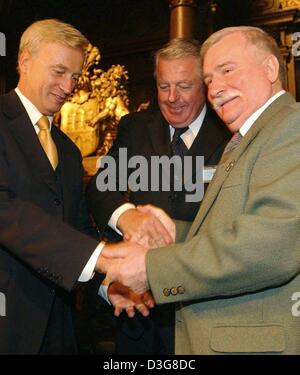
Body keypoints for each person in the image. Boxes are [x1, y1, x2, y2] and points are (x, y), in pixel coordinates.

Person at [101, 26, 300, 354]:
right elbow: (232, 233)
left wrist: (152, 267)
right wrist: (175, 233)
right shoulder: (245, 139)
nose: (217, 88)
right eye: (209, 80)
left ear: (270, 68)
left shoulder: (290, 128)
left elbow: (272, 244)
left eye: (227, 70)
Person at [86, 38, 230, 354]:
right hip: (140, 314)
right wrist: (126, 214)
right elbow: (100, 187)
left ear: (205, 85)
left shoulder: (232, 132)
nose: (172, 98)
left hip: (205, 309)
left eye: (183, 86)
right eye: (163, 86)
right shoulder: (135, 128)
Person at [0, 19, 117, 354]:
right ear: (24, 60)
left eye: (76, 76)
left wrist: (108, 286)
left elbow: (76, 225)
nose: (69, 87)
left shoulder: (67, 149)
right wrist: (103, 257)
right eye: (59, 71)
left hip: (60, 328)